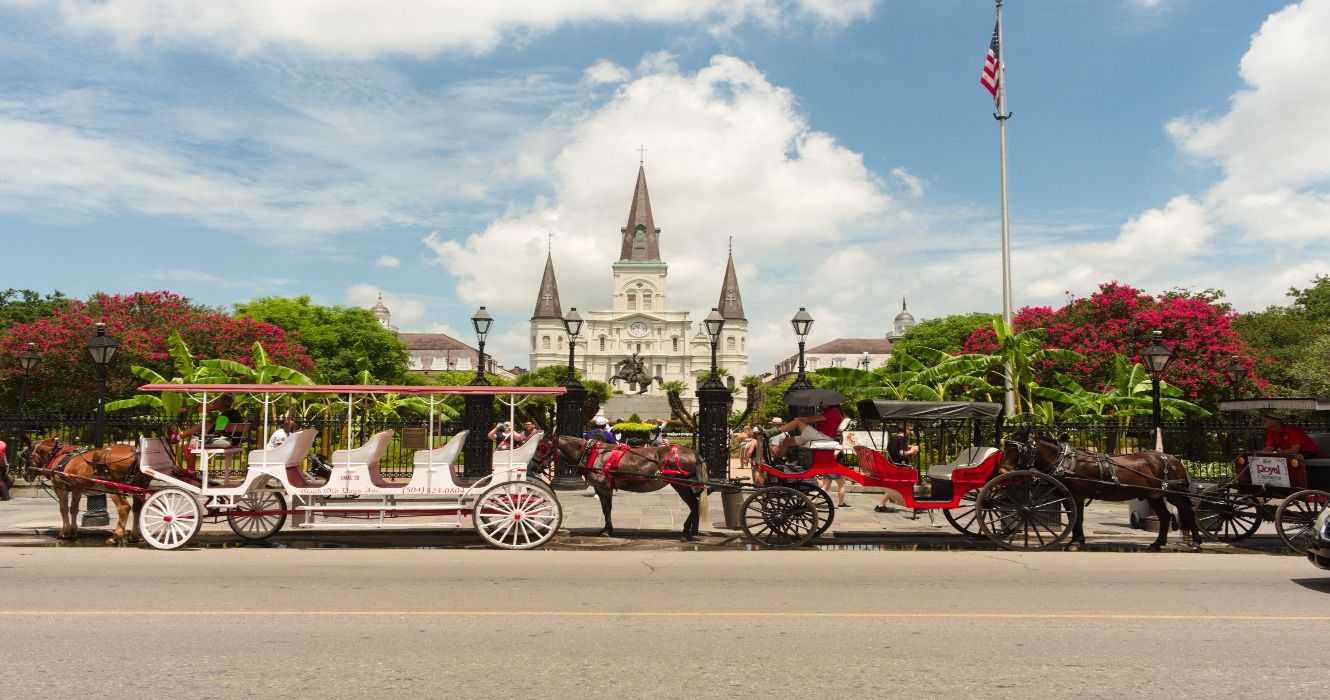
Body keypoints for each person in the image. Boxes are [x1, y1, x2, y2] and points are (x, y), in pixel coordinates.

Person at [180, 395, 246, 469]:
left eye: (216, 401)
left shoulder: (224, 416)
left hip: (226, 442)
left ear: (223, 404)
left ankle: (190, 471)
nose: (213, 403)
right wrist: (208, 412)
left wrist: (202, 437)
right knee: (207, 422)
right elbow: (216, 423)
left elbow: (216, 434)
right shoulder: (233, 413)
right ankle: (180, 437)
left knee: (187, 446)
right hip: (234, 441)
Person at [773, 404, 845, 461]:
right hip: (820, 436)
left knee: (798, 422)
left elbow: (810, 419)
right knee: (787, 441)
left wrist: (798, 419)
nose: (821, 404)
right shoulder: (831, 411)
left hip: (823, 437)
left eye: (823, 402)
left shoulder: (833, 411)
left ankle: (774, 431)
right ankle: (777, 460)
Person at [876, 424, 919, 513]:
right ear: (905, 430)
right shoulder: (902, 439)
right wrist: (912, 451)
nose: (910, 432)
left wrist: (909, 447)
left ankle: (884, 503)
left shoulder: (894, 438)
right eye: (910, 430)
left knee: (896, 487)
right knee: (899, 486)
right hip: (900, 465)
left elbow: (891, 450)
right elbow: (901, 453)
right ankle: (881, 504)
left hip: (893, 464)